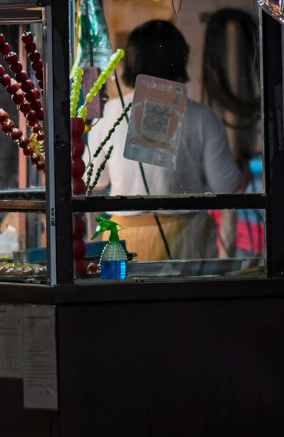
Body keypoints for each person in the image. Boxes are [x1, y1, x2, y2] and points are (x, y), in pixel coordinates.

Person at [87, 19, 244, 264]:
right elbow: (226, 185)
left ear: (131, 61)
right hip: (183, 241)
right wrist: (242, 169)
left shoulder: (110, 112)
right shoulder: (203, 117)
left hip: (121, 242)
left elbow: (92, 179)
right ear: (181, 58)